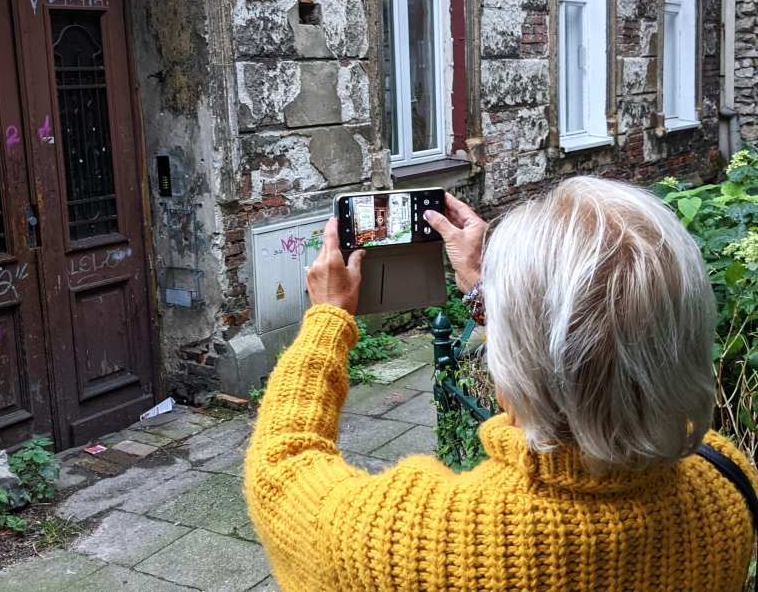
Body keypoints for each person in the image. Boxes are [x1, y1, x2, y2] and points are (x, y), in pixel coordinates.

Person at [243, 176, 757, 591]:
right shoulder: (726, 484)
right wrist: (487, 293)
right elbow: (586, 367)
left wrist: (328, 319)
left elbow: (281, 468)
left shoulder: (419, 540)